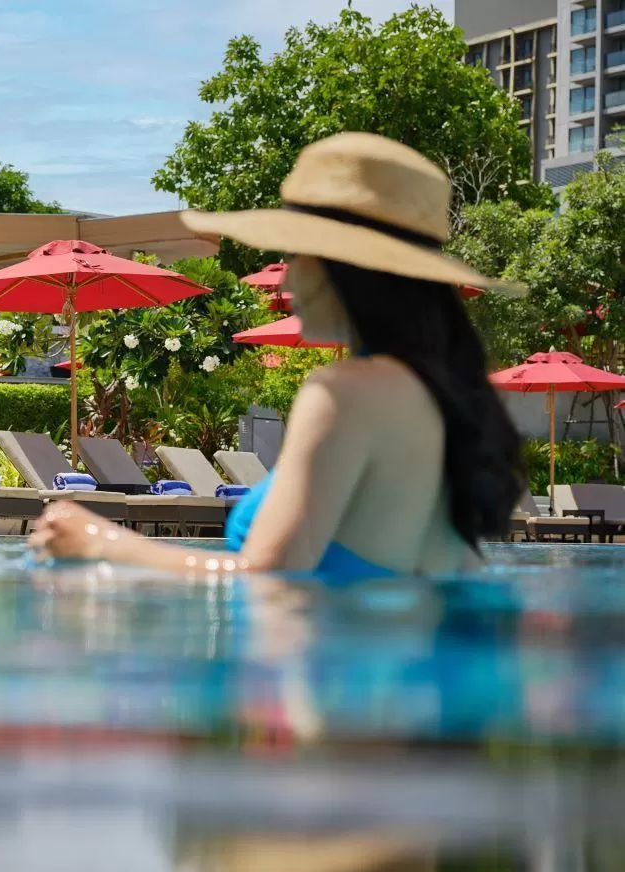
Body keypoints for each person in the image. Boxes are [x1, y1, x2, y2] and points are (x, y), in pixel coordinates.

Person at [31, 133, 524, 578]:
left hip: (328, 674)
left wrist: (102, 541)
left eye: (297, 254)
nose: (286, 279)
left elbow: (267, 579)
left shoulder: (345, 392)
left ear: (344, 267)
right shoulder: (445, 401)